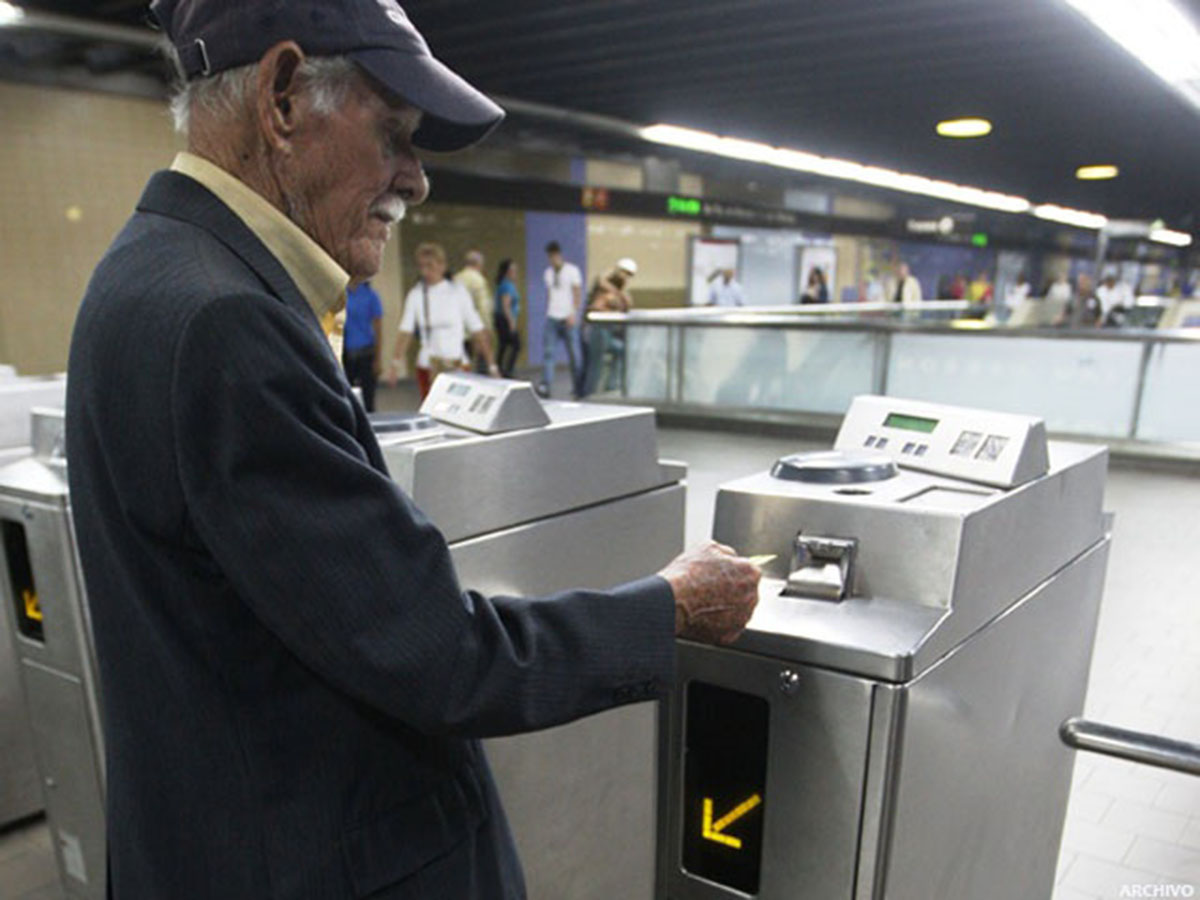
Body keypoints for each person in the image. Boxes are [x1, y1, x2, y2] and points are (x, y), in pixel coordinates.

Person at [63, 3, 762, 898]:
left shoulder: (141, 270)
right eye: (394, 132)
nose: (416, 179)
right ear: (281, 98)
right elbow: (442, 656)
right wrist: (665, 610)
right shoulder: (227, 323)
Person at [389, 242, 498, 400]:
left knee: (460, 412)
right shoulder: (416, 294)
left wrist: (492, 365)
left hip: (458, 363)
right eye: (421, 266)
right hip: (428, 366)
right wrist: (395, 364)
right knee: (432, 413)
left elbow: (477, 329)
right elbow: (405, 331)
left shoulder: (457, 292)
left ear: (442, 265)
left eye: (430, 265)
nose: (425, 271)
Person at [582, 258, 636, 396]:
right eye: (624, 273)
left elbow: (627, 305)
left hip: (607, 332)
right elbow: (596, 307)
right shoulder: (604, 285)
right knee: (595, 366)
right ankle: (588, 394)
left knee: (621, 351)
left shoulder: (619, 291)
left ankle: (611, 386)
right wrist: (613, 306)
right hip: (597, 330)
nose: (625, 277)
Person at [540, 240, 583, 398]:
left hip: (568, 317)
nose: (552, 259)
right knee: (548, 353)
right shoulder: (548, 273)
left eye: (554, 256)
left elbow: (577, 293)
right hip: (552, 316)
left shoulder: (572, 271)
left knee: (574, 355)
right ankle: (546, 385)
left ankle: (578, 388)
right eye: (550, 257)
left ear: (559, 255)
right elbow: (550, 294)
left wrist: (573, 312)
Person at [342, 279, 383, 411]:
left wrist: (378, 359)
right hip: (346, 354)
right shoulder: (341, 295)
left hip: (366, 353)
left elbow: (378, 329)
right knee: (346, 398)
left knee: (368, 398)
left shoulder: (370, 295)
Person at [455, 249, 493, 372]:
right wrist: (486, 331)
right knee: (481, 365)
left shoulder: (456, 279)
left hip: (457, 331)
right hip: (474, 332)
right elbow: (484, 309)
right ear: (478, 264)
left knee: (461, 366)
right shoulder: (478, 280)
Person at [494, 258, 522, 378]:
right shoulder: (507, 286)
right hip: (505, 319)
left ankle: (500, 368)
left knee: (504, 345)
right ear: (507, 272)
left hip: (501, 318)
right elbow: (506, 305)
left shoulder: (506, 284)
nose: (515, 273)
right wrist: (511, 322)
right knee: (516, 344)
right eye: (513, 271)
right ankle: (507, 370)